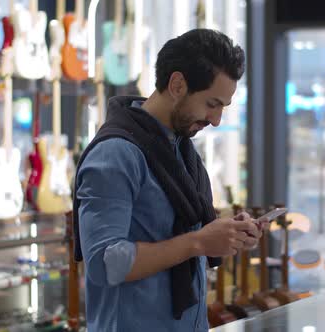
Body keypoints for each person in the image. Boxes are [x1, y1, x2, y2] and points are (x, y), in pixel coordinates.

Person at [72, 29, 264, 331]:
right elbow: (105, 262)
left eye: (222, 108)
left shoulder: (181, 151)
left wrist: (227, 232)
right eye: (211, 104)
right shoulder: (115, 154)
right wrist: (198, 242)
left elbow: (174, 228)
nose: (216, 120)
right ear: (177, 85)